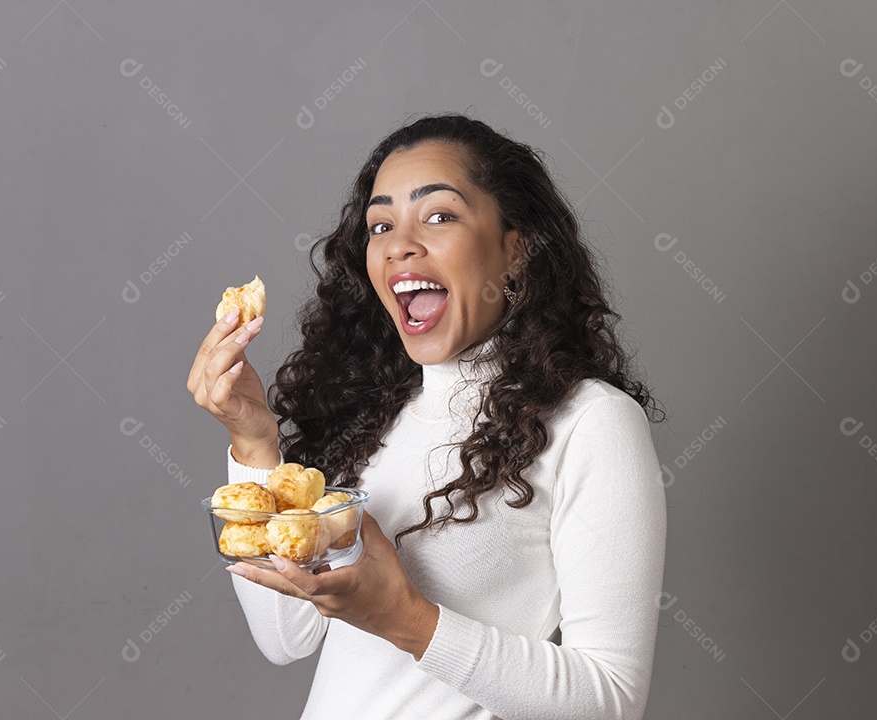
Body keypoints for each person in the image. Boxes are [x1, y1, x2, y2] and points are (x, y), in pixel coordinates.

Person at [186, 112, 667, 720]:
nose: (398, 245)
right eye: (380, 224)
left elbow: (610, 701)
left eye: (439, 215)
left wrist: (405, 620)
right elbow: (286, 638)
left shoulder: (591, 423)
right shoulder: (372, 413)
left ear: (515, 251)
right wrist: (254, 443)